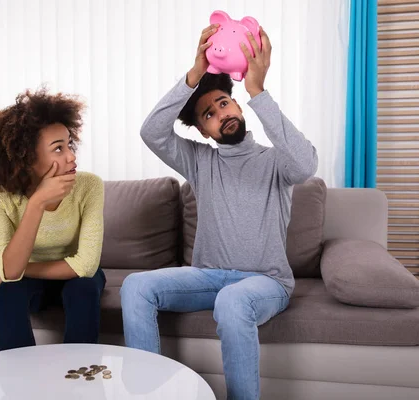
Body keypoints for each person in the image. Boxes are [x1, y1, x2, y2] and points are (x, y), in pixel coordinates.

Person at [120, 23, 318, 399]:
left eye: (223, 103)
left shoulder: (277, 163)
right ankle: (147, 393)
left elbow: (307, 164)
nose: (220, 113)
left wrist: (258, 90)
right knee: (135, 286)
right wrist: (194, 74)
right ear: (204, 131)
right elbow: (152, 132)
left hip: (266, 282)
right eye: (208, 114)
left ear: (238, 105)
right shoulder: (199, 162)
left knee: (233, 299)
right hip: (208, 277)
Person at [0, 88, 106, 351]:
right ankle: (20, 382)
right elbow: (11, 274)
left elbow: (85, 267)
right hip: (28, 282)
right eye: (58, 148)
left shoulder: (90, 186)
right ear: (26, 158)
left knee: (83, 288)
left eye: (69, 144)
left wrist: (3, 274)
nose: (71, 156)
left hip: (76, 278)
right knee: (9, 293)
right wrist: (37, 202)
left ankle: (77, 382)